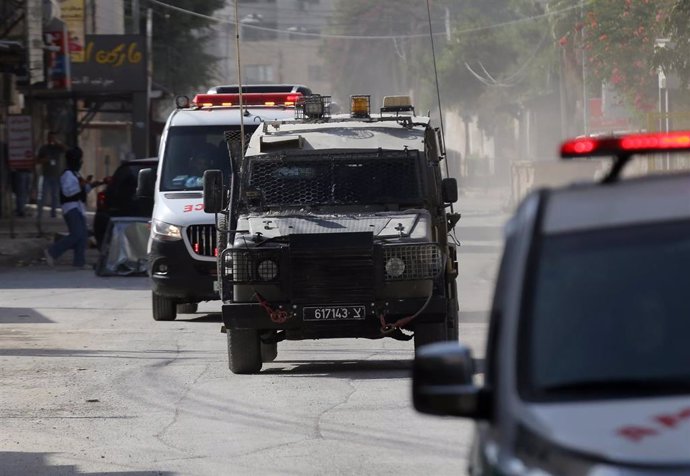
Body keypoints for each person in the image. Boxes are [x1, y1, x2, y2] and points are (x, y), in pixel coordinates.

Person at [44, 147, 103, 268]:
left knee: (82, 236)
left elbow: (83, 190)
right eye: (79, 159)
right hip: (71, 208)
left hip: (78, 208)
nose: (81, 162)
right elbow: (68, 192)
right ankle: (52, 252)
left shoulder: (75, 174)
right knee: (77, 235)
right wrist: (81, 186)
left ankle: (79, 262)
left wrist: (96, 184)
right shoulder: (67, 175)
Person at [36, 131, 67, 219]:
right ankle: (39, 214)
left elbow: (66, 150)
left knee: (55, 195)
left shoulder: (58, 148)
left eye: (53, 138)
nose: (51, 140)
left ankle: (53, 213)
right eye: (50, 138)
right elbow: (37, 161)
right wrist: (44, 160)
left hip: (56, 175)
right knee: (43, 195)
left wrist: (58, 142)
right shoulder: (44, 148)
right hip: (45, 174)